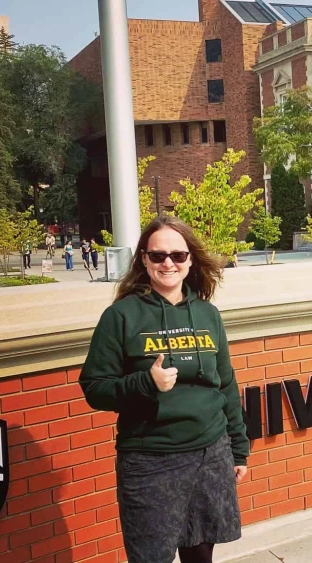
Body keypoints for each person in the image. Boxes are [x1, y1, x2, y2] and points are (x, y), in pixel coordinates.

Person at [79, 216, 248, 563]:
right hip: (150, 460)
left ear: (190, 260)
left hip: (209, 453)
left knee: (201, 554)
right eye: (157, 256)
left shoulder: (207, 314)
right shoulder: (122, 316)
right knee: (150, 558)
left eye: (177, 255)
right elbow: (95, 388)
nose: (168, 263)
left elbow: (226, 385)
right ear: (144, 259)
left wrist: (239, 449)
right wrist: (146, 382)